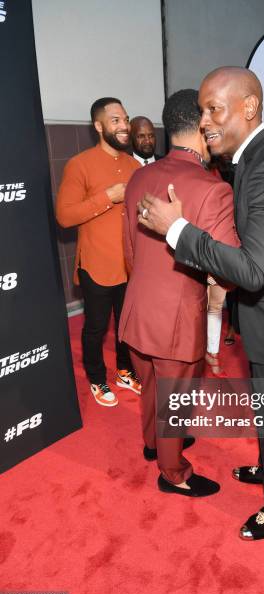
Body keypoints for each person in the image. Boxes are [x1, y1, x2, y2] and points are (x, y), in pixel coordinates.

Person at [138, 66, 264, 540]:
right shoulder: (252, 158)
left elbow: (252, 268)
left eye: (214, 108)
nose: (204, 120)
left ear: (249, 108)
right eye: (203, 109)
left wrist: (177, 230)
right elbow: (255, 255)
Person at [119, 89, 238, 496]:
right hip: (177, 314)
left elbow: (130, 252)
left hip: (137, 307)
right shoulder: (212, 188)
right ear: (205, 127)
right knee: (174, 397)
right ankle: (174, 474)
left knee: (151, 384)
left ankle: (154, 445)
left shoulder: (138, 177)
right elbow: (228, 268)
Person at [56, 97, 142, 407]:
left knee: (126, 326)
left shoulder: (134, 165)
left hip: (131, 265)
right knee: (95, 327)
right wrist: (108, 196)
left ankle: (124, 371)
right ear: (98, 126)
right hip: (97, 265)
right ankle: (96, 378)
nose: (124, 126)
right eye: (116, 120)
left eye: (126, 119)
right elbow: (64, 216)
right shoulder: (79, 164)